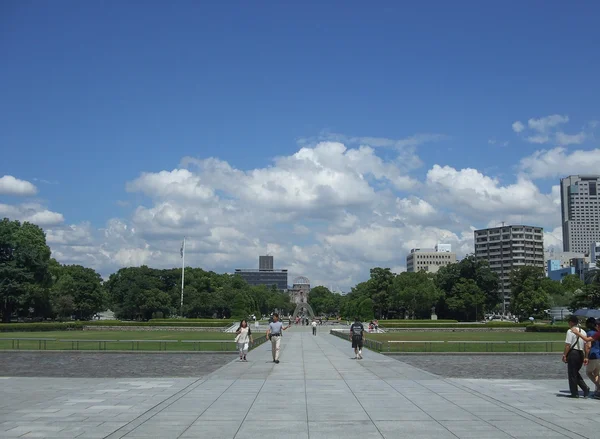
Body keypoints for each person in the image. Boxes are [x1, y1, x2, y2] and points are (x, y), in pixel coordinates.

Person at [563, 315, 590, 398]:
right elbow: (586, 345)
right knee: (575, 373)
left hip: (573, 353)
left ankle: (575, 392)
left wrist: (565, 355)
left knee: (572, 373)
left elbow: (568, 345)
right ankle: (584, 388)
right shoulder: (583, 331)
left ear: (571, 322)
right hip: (581, 354)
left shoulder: (570, 331)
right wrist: (586, 356)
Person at [572, 318, 600, 396]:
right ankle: (597, 390)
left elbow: (588, 344)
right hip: (599, 355)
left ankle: (598, 387)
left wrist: (586, 356)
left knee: (589, 372)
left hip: (593, 355)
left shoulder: (592, 333)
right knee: (596, 373)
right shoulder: (597, 333)